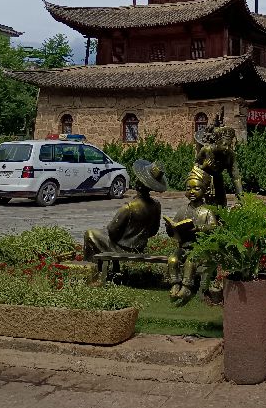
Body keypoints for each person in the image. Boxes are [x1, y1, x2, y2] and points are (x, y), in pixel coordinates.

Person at [83, 159, 167, 259]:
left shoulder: (129, 207)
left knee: (90, 234)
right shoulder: (156, 205)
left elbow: (112, 231)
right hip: (139, 248)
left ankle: (91, 267)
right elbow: (153, 231)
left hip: (122, 249)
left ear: (138, 184)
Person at [164, 165, 217, 304]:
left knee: (190, 261)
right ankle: (175, 283)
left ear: (204, 191)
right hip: (183, 246)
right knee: (172, 260)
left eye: (196, 188)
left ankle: (187, 287)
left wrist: (199, 228)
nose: (192, 192)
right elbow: (175, 225)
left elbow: (213, 226)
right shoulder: (183, 210)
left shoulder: (207, 211)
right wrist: (170, 228)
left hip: (200, 249)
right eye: (189, 189)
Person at [194, 114, 243, 207]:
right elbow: (195, 167)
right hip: (203, 181)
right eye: (224, 144)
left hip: (218, 180)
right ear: (217, 142)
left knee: (221, 206)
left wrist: (241, 197)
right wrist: (203, 166)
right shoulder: (206, 150)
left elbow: (236, 177)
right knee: (204, 209)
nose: (227, 148)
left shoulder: (230, 154)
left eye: (229, 145)